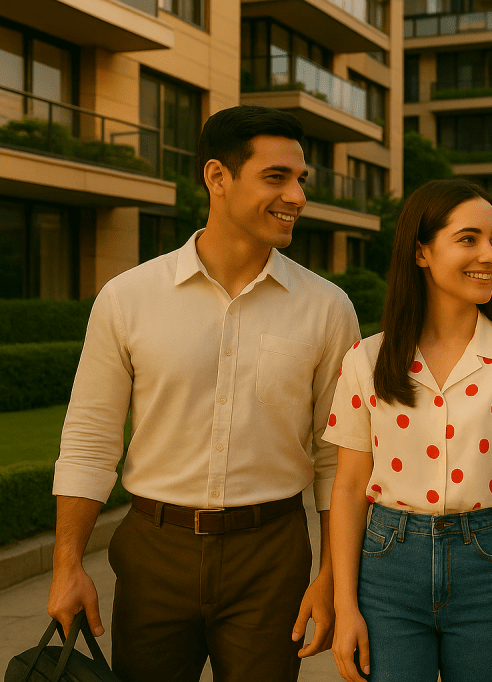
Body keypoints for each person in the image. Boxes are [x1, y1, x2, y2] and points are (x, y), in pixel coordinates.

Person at [48, 105, 358, 681]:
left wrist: (335, 577)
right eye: (276, 178)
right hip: (153, 553)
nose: (297, 196)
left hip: (273, 555)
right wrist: (68, 564)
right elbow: (90, 439)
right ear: (217, 177)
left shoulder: (328, 309)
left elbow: (336, 458)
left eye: (301, 180)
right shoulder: (127, 298)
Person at [324, 178, 492, 682]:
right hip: (388, 565)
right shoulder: (366, 358)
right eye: (468, 238)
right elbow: (347, 488)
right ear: (420, 253)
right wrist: (345, 606)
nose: (490, 254)